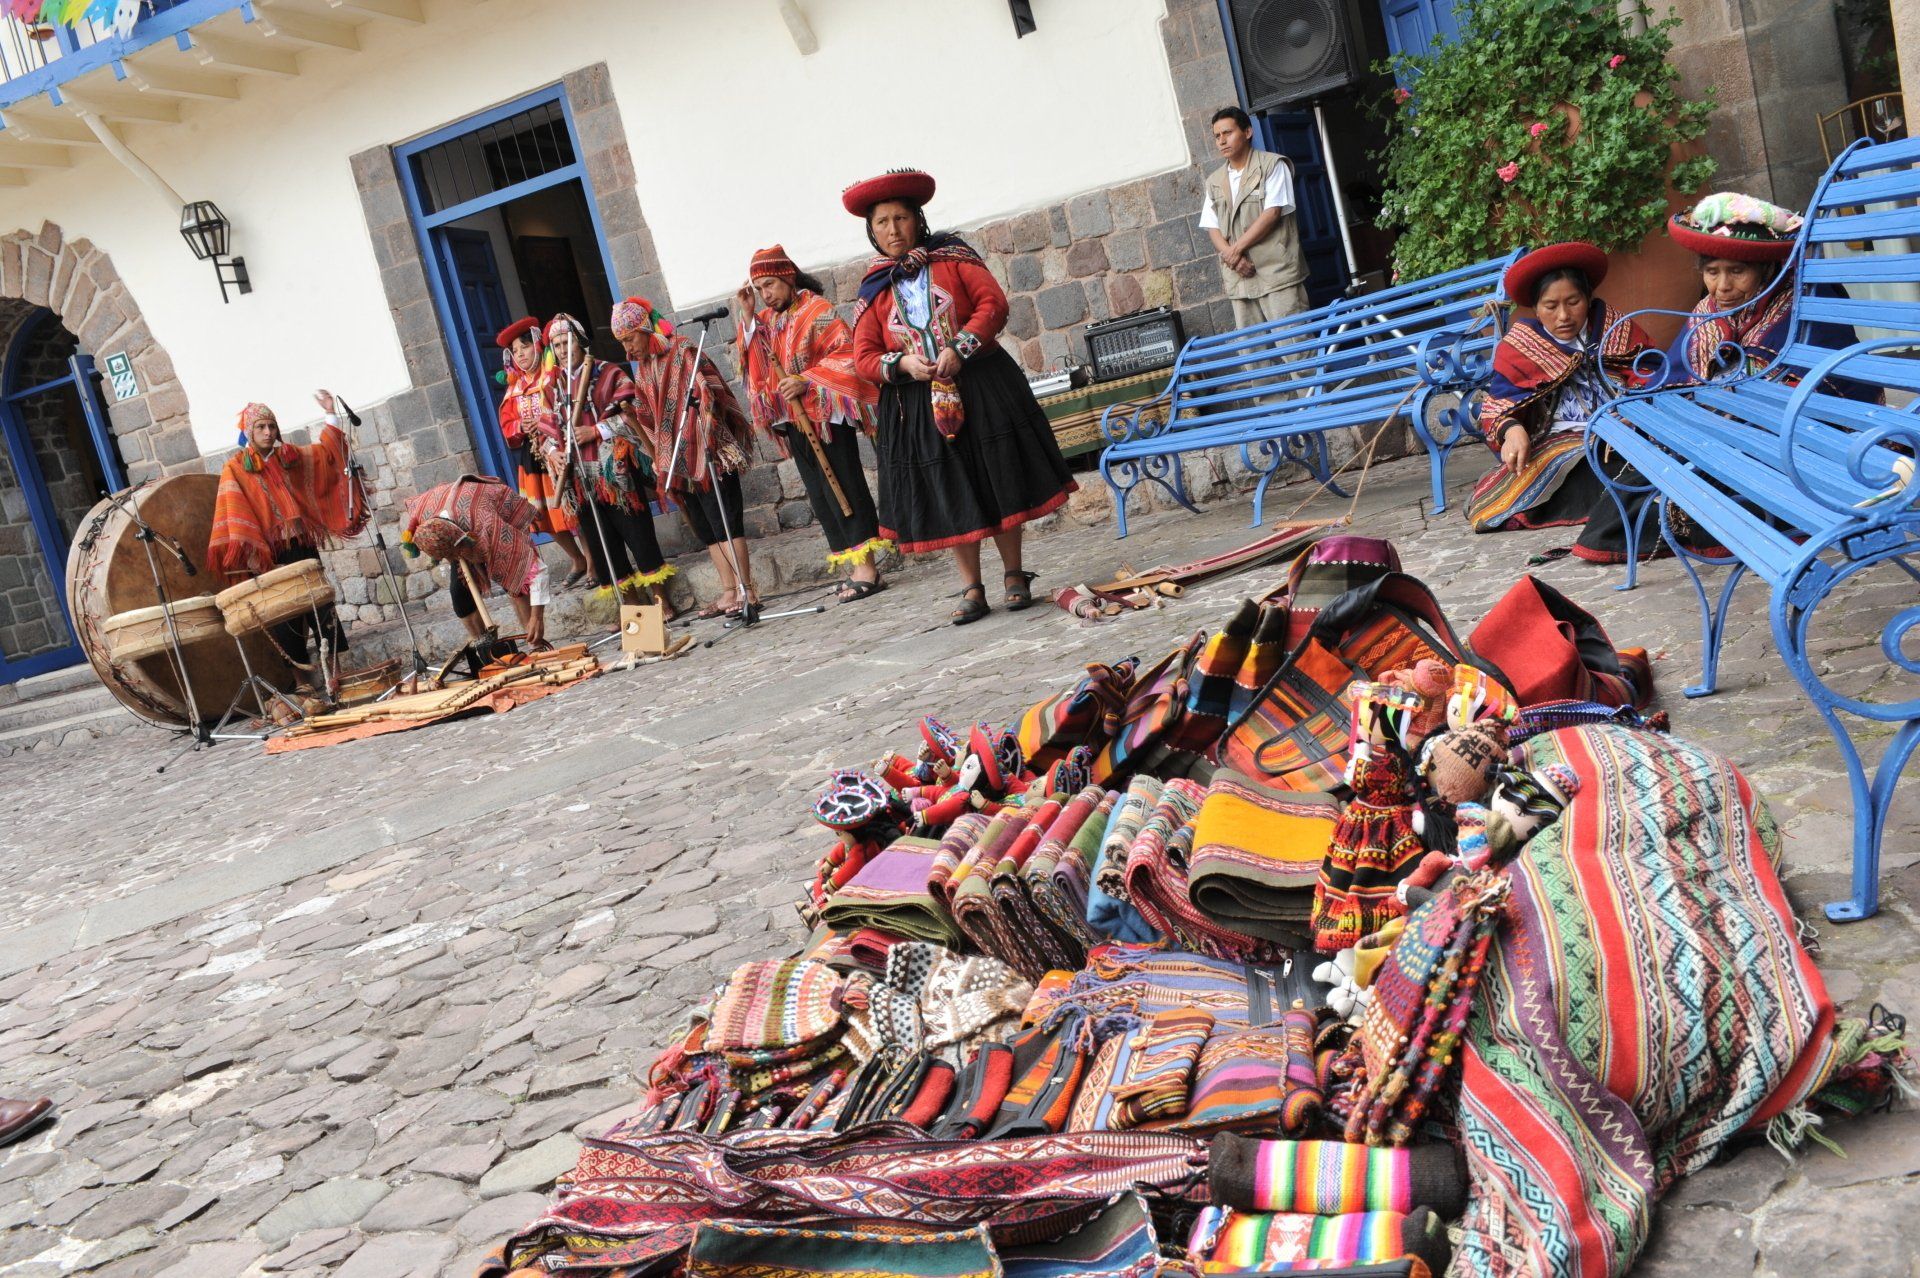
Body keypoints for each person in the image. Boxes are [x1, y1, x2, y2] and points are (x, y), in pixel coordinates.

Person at [843, 168, 1077, 626]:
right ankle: (972, 586)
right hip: (917, 406)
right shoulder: (875, 289)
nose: (893, 230)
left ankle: (1014, 574)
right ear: (872, 232)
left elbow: (994, 305)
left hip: (982, 384)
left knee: (998, 474)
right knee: (950, 487)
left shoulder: (953, 258)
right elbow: (864, 355)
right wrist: (904, 365)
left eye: (901, 219)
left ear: (919, 220)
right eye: (882, 223)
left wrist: (960, 347)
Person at [1463, 242, 1668, 563]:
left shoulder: (1616, 329)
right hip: (1559, 442)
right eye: (1550, 306)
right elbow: (1498, 404)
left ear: (1587, 298)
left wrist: (1635, 409)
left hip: (1622, 430)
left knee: (1636, 455)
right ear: (1535, 307)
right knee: (1576, 466)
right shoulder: (1521, 346)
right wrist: (1511, 429)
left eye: (1573, 302)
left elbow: (1652, 371)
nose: (1563, 316)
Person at [734, 244, 888, 603]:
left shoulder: (817, 310)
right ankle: (851, 564)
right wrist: (747, 315)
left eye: (770, 285)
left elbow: (847, 352)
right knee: (821, 496)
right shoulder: (770, 321)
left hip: (825, 417)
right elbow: (756, 362)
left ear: (788, 277)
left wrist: (807, 379)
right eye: (760, 289)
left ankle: (868, 568)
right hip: (794, 421)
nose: (766, 294)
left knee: (845, 487)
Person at [611, 296, 760, 619]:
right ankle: (727, 591)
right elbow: (648, 417)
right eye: (621, 343)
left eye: (630, 339)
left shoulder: (683, 350)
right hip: (678, 460)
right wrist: (634, 419)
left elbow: (711, 392)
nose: (628, 349)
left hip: (710, 452)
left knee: (725, 523)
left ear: (645, 328)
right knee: (706, 528)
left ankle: (747, 589)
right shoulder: (645, 369)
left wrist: (700, 424)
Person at [208, 391, 366, 672]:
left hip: (303, 546)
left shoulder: (289, 456)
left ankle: (336, 674)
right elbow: (234, 511)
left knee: (321, 607)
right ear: (249, 431)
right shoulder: (235, 469)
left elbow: (327, 456)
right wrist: (257, 556)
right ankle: (302, 682)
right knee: (284, 617)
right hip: (271, 555)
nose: (268, 432)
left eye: (271, 426)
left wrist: (330, 412)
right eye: (260, 427)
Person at [542, 313, 677, 621]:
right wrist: (553, 451)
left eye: (567, 342)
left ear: (581, 342)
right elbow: (545, 429)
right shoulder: (552, 386)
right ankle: (634, 612)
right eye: (557, 345)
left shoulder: (608, 372)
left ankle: (661, 603)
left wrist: (597, 431)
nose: (562, 350)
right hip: (579, 478)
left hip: (615, 473)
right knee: (605, 549)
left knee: (638, 535)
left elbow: (635, 411)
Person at [403, 474, 552, 650]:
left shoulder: (486, 524)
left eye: (453, 555)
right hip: (457, 519)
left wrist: (537, 617)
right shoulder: (424, 520)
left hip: (491, 506)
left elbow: (537, 571)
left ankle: (535, 644)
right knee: (459, 593)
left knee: (516, 579)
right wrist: (456, 556)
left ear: (462, 540)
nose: (451, 560)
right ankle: (485, 645)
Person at [495, 316, 592, 587]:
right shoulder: (514, 389)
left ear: (537, 345)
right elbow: (507, 426)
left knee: (572, 508)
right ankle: (578, 559)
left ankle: (594, 561)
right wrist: (521, 427)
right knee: (542, 516)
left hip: (560, 450)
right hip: (534, 456)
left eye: (524, 347)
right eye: (514, 352)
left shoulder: (553, 376)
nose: (520, 355)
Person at [1200, 106, 1310, 329]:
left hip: (1276, 273)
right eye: (1217, 136)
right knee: (1252, 354)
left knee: (1296, 349)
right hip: (1239, 278)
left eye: (1228, 133)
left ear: (1248, 132)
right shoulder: (1214, 180)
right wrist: (1234, 259)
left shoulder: (1273, 165)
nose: (1222, 141)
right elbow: (1212, 227)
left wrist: (1233, 252)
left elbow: (1272, 214)